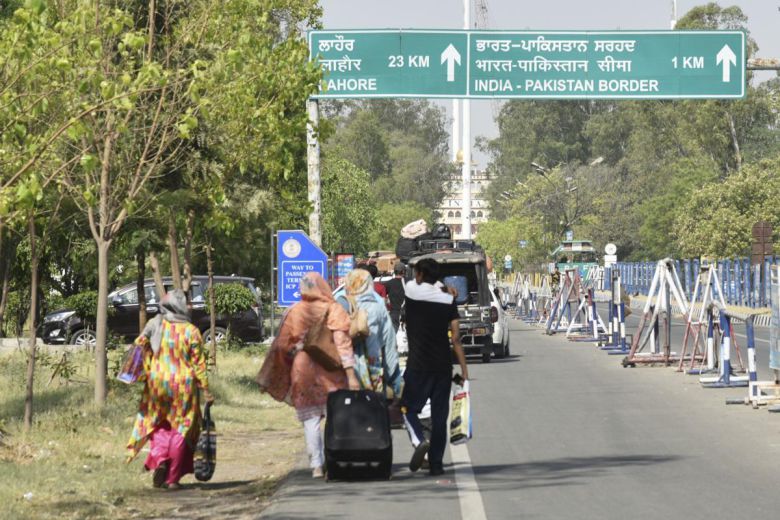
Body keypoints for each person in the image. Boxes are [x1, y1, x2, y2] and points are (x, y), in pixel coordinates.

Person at [256, 272, 359, 478]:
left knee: (311, 421)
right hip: (331, 371)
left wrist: (272, 374)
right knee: (334, 417)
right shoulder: (334, 309)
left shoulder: (293, 312)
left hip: (302, 370)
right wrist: (352, 375)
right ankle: (334, 459)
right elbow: (343, 345)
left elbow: (282, 346)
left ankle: (317, 466)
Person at [126, 289, 214, 490]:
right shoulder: (191, 331)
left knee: (159, 424)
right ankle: (172, 478)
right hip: (183, 386)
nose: (190, 306)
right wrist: (206, 389)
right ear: (180, 306)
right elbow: (199, 364)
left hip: (157, 383)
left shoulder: (155, 324)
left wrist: (143, 368)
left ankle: (160, 458)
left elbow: (139, 345)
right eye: (187, 302)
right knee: (181, 429)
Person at [402, 258, 469, 477]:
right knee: (440, 417)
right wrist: (464, 371)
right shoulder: (448, 301)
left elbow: (429, 283)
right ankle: (437, 464)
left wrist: (440, 284)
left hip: (418, 365)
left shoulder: (411, 291)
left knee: (407, 408)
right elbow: (456, 339)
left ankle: (419, 440)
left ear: (420, 275)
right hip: (442, 366)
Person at [336, 269, 402, 396]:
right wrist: (393, 380)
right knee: (370, 409)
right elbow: (389, 345)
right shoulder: (377, 305)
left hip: (343, 370)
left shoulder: (340, 300)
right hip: (371, 368)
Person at [383, 262, 406, 331]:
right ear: (403, 271)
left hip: (393, 314)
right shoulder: (408, 283)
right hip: (406, 314)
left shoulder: (388, 284)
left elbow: (383, 297)